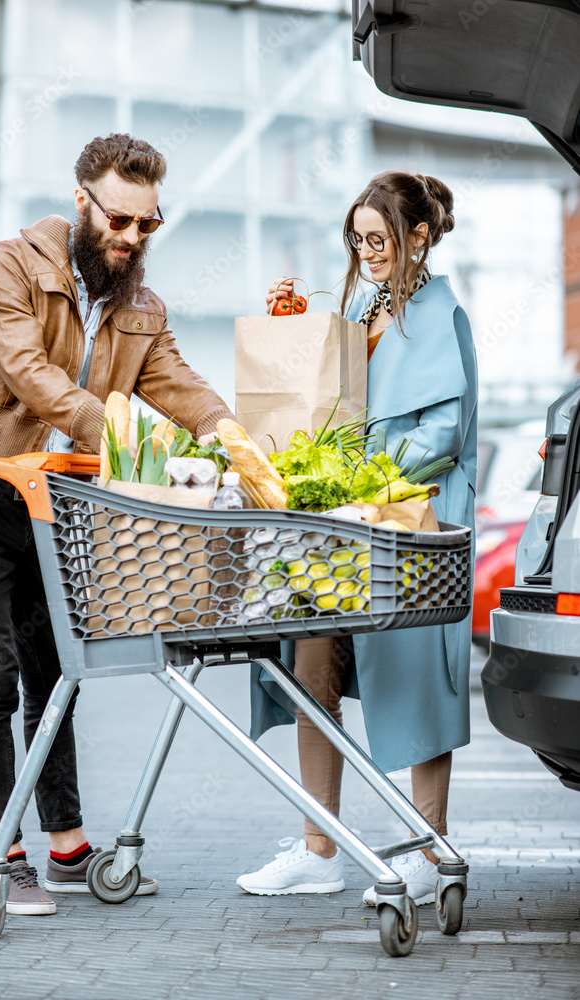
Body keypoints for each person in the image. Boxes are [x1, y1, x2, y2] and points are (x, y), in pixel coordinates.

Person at [0, 133, 234, 916]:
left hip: (56, 501)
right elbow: (32, 378)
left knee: (56, 673)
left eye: (146, 226)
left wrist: (229, 432)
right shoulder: (6, 269)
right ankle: (6, 859)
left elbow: (179, 383)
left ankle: (66, 848)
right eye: (119, 220)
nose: (130, 239)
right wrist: (128, 437)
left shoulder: (139, 307)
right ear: (82, 200)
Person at [237, 170, 478, 905]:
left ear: (417, 235)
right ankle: (318, 847)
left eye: (378, 239)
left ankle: (426, 851)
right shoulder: (360, 307)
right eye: (356, 239)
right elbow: (320, 402)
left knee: (414, 680)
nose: (365, 251)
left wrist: (360, 477)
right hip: (341, 527)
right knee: (312, 665)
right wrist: (289, 321)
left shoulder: (442, 313)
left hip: (409, 522)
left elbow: (443, 433)